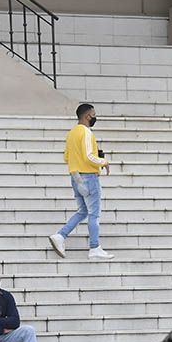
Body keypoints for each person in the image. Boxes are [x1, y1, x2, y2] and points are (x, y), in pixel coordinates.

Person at [49, 103, 114, 260]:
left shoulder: (72, 133)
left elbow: (66, 157)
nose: (94, 117)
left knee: (83, 211)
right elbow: (88, 156)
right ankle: (94, 247)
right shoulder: (86, 132)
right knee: (94, 214)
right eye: (93, 114)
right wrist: (103, 162)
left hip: (75, 176)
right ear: (87, 116)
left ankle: (60, 236)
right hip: (88, 176)